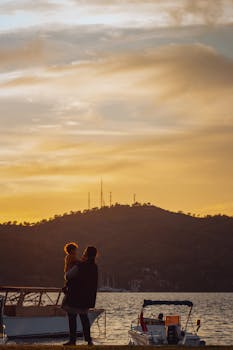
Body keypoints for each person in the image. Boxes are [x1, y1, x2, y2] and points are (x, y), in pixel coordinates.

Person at [62, 246, 98, 346]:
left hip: (75, 295)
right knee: (84, 318)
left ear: (86, 254)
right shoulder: (95, 267)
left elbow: (68, 276)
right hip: (87, 297)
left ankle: (72, 341)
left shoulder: (81, 265)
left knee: (72, 317)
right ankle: (89, 340)